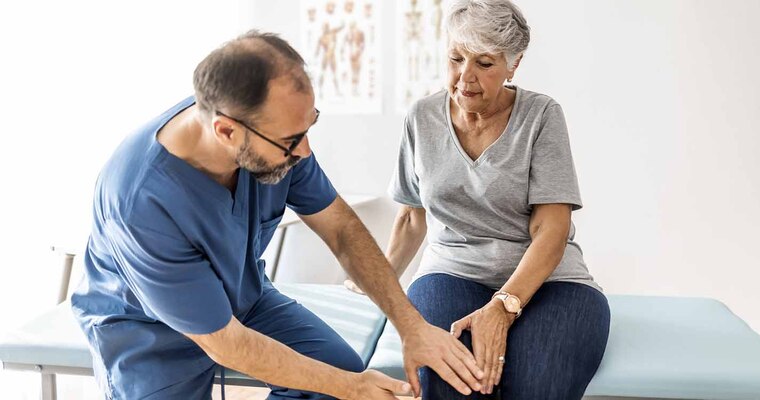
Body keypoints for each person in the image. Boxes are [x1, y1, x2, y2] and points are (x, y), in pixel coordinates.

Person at [70, 30, 484, 400]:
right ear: (226, 132)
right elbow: (224, 341)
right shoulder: (141, 200)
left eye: (310, 126)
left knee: (339, 378)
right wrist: (352, 389)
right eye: (291, 140)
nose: (304, 151)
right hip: (148, 333)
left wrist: (410, 326)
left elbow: (340, 229)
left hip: (244, 300)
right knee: (346, 387)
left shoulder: (272, 136)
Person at [347, 0, 610, 398]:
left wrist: (502, 307)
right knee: (454, 385)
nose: (464, 77)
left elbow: (551, 229)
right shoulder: (422, 117)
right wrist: (378, 285)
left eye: (484, 64)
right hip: (451, 273)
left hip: (551, 283)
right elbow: (412, 218)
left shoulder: (542, 116)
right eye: (455, 58)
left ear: (513, 65)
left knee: (536, 388)